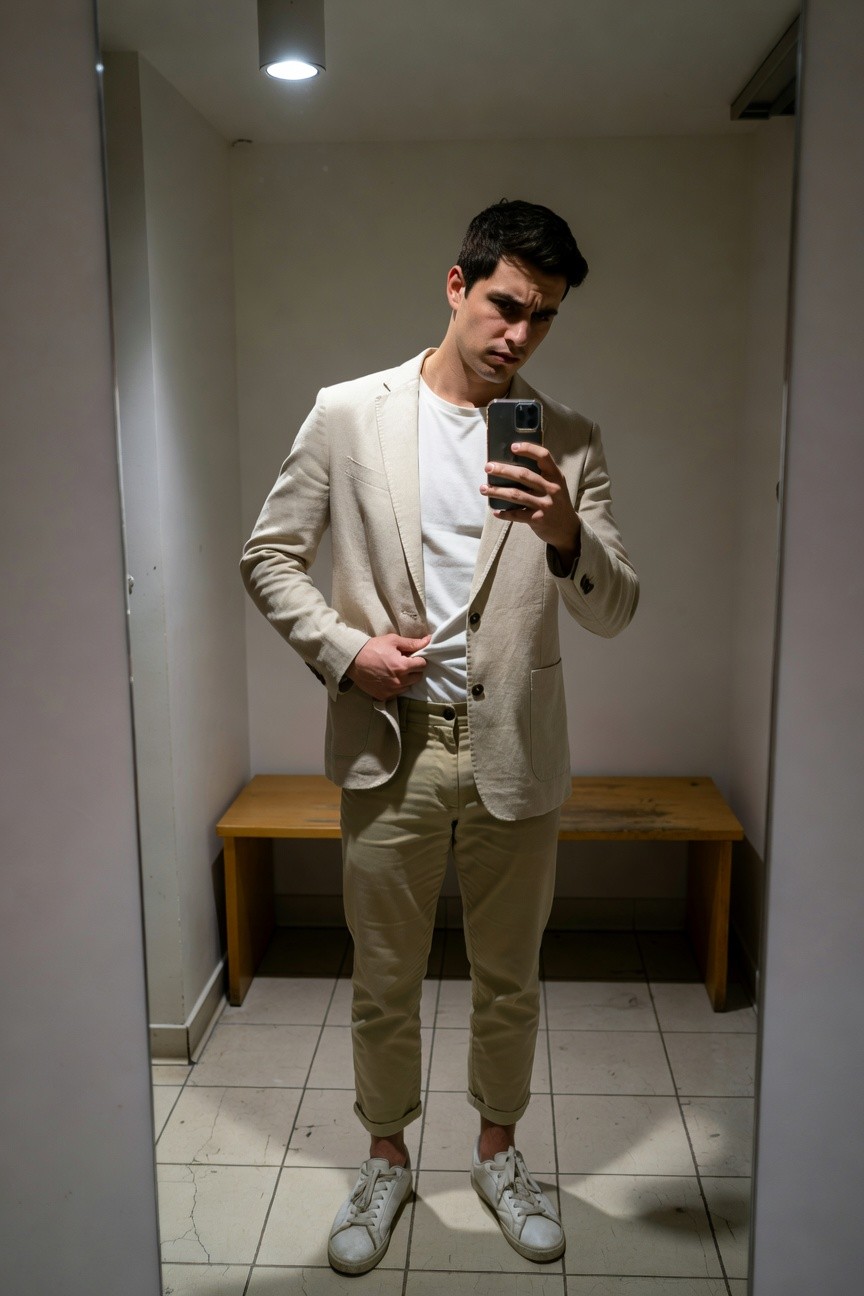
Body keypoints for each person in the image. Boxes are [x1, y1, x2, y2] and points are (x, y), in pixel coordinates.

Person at [241, 199, 639, 1275]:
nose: (520, 334)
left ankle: (500, 1155)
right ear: (457, 286)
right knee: (384, 974)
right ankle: (385, 1156)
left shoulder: (571, 443)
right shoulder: (347, 415)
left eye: (544, 317)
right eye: (507, 304)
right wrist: (344, 651)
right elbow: (268, 557)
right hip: (391, 742)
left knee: (510, 977)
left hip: (515, 747)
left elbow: (617, 607)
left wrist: (564, 531)